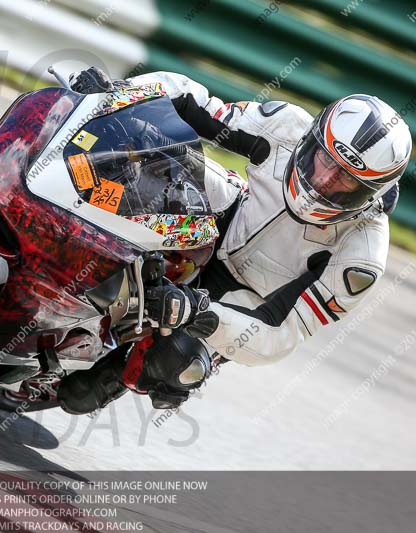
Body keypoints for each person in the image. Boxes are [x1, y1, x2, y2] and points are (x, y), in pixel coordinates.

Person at [57, 67, 412, 414]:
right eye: (324, 160)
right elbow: (188, 98)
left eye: (346, 182)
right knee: (146, 153)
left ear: (370, 195)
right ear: (311, 140)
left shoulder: (362, 256)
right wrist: (118, 93)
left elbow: (278, 336)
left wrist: (199, 312)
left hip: (242, 302)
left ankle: (117, 374)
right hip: (227, 216)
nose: (323, 181)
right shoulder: (286, 126)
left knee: (164, 366)